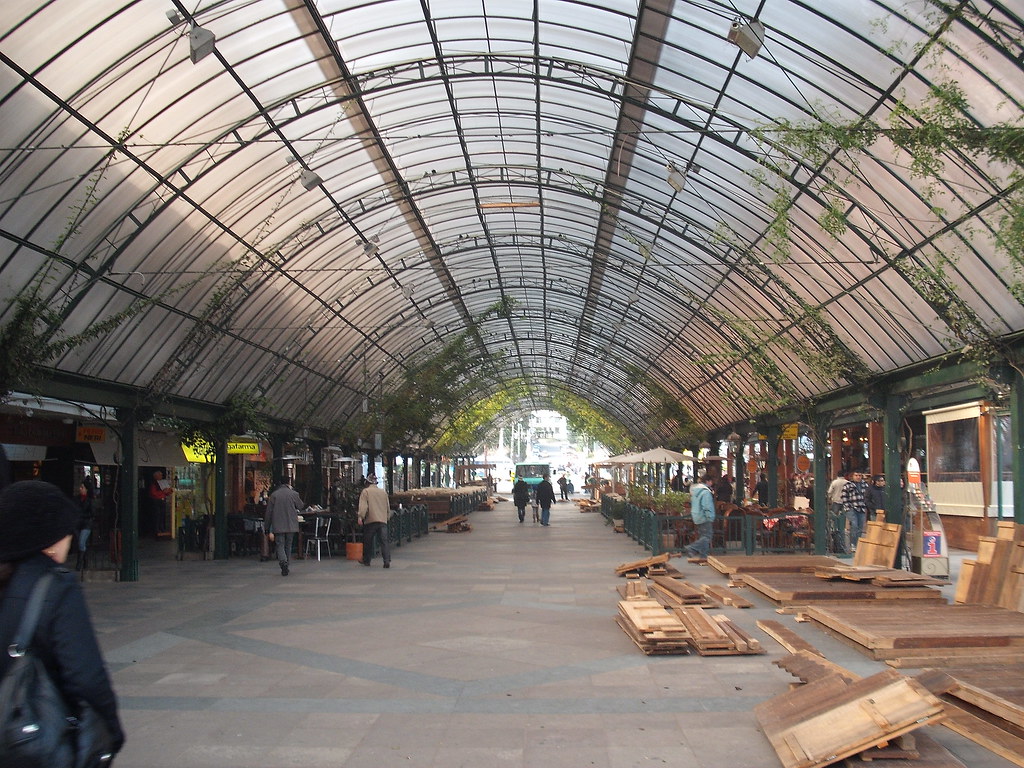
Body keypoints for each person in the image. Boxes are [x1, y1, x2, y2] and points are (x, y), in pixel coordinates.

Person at [0, 480, 125, 760]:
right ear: (51, 538)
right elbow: (86, 676)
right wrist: (110, 735)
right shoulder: (55, 586)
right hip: (30, 741)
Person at [264, 479, 304, 576]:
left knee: (280, 544)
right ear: (288, 483)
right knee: (288, 545)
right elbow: (301, 506)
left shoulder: (274, 495)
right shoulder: (294, 494)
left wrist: (267, 526)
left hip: (278, 524)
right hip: (291, 524)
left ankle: (283, 562)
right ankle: (287, 564)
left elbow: (268, 513)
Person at [357, 474, 392, 567]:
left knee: (368, 541)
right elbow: (387, 507)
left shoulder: (366, 492)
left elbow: (363, 506)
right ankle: (386, 560)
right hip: (382, 520)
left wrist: (360, 516)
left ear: (367, 482)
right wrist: (387, 517)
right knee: (384, 541)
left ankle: (367, 560)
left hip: (371, 520)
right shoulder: (383, 492)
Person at [685, 474, 716, 560]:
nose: (711, 484)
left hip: (696, 516)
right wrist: (710, 517)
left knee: (703, 536)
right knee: (707, 536)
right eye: (711, 482)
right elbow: (707, 506)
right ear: (708, 481)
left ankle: (703, 556)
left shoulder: (695, 491)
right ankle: (692, 548)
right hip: (704, 517)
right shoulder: (705, 492)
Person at [841, 471, 869, 553]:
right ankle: (853, 544)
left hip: (862, 508)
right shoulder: (848, 485)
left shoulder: (865, 485)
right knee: (854, 525)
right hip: (852, 508)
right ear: (852, 476)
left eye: (860, 475)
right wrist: (848, 507)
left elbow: (867, 496)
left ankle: (857, 544)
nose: (858, 477)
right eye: (856, 475)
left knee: (860, 527)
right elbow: (844, 496)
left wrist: (866, 505)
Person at [826, 472, 849, 553]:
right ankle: (843, 528)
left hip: (835, 501)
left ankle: (835, 529)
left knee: (834, 518)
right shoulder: (847, 482)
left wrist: (830, 498)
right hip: (845, 501)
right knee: (843, 517)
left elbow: (829, 492)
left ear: (837, 475)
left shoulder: (834, 482)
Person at [75, 478, 96, 571]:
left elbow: (92, 513)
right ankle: (85, 561)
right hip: (79, 524)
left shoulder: (90, 500)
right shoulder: (76, 499)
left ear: (86, 489)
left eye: (82, 487)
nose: (80, 489)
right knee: (82, 543)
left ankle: (79, 563)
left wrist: (82, 515)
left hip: (86, 524)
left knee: (81, 542)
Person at [147, 469, 173, 538]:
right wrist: (163, 492)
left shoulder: (163, 482)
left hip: (162, 500)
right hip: (156, 501)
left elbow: (168, 491)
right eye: (160, 475)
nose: (161, 476)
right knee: (157, 515)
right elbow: (153, 493)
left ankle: (162, 528)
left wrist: (169, 491)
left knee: (162, 515)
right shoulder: (154, 484)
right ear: (156, 476)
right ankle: (157, 529)